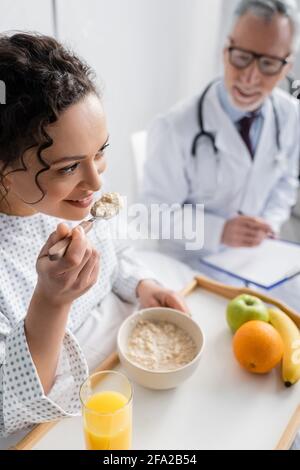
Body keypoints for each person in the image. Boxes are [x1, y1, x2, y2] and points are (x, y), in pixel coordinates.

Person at [0, 32, 188, 437]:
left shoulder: (70, 199)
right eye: (68, 167)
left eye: (100, 151)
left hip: (121, 371)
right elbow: (8, 416)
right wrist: (50, 302)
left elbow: (114, 247)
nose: (96, 182)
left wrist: (141, 284)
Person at [142, 0, 300, 270]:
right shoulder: (175, 126)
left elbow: (286, 182)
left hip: (254, 257)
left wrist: (269, 223)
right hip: (189, 262)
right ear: (225, 51)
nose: (250, 78)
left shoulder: (291, 115)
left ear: (286, 66)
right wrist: (219, 231)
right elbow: (153, 213)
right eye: (241, 57)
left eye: (268, 63)